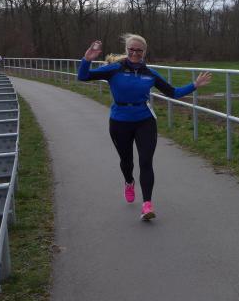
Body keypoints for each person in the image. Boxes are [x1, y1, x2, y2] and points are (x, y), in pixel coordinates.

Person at [78, 34, 212, 221]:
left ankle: (147, 204)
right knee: (127, 162)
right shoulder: (114, 69)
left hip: (144, 121)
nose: (134, 53)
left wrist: (194, 85)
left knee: (146, 161)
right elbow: (83, 76)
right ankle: (129, 181)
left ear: (144, 52)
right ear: (127, 50)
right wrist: (87, 59)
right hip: (119, 121)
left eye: (138, 50)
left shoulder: (150, 74)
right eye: (131, 49)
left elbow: (172, 92)